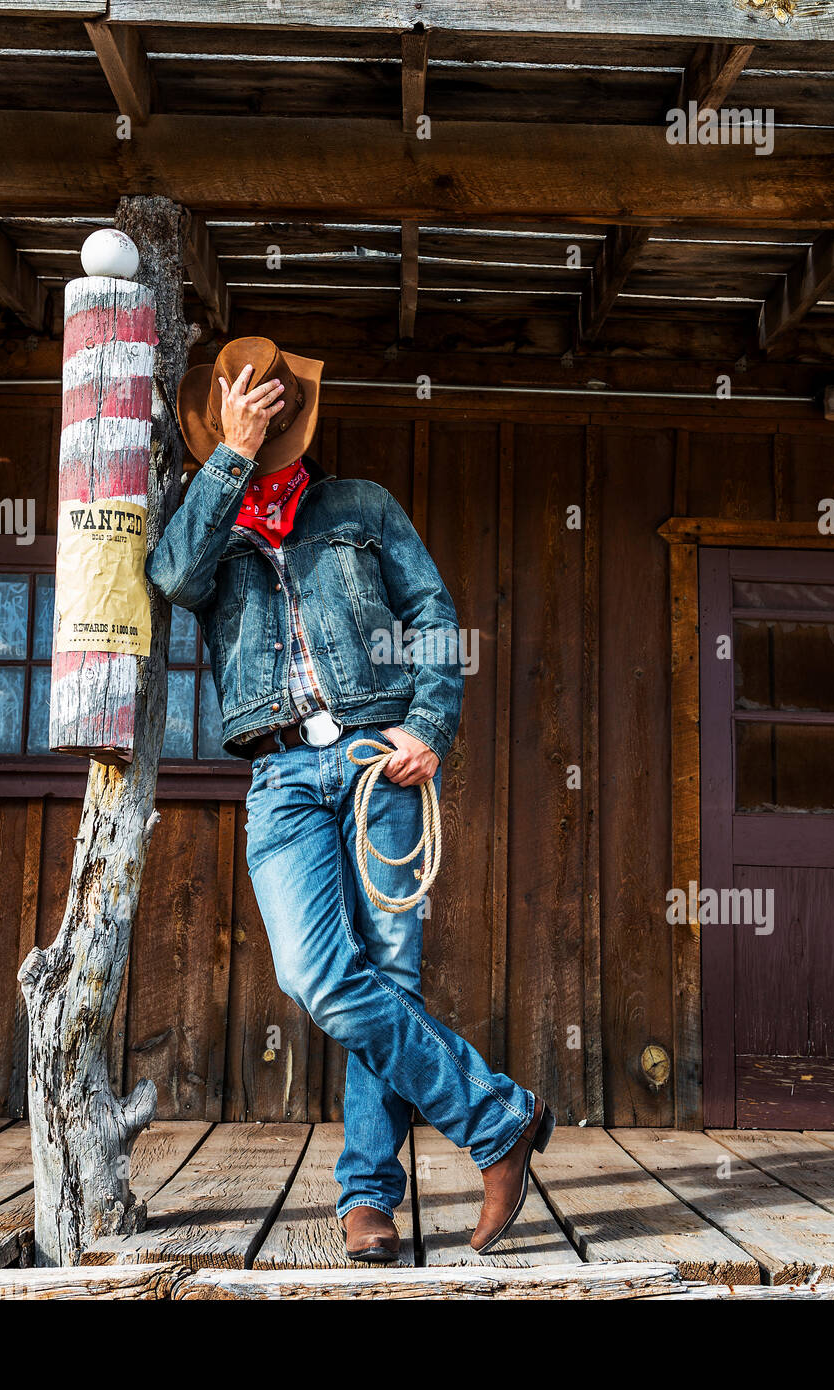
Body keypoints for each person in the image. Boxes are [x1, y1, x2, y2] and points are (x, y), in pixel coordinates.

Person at [147, 336, 554, 1261]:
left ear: (298, 415)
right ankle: (500, 1119)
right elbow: (173, 578)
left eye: (274, 409)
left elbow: (434, 614)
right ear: (224, 421)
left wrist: (431, 726)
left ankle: (368, 1199)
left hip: (381, 761)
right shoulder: (205, 516)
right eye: (246, 409)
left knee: (391, 974)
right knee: (320, 977)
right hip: (281, 774)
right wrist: (232, 458)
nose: (265, 417)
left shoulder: (360, 505)